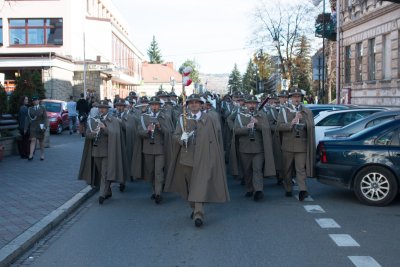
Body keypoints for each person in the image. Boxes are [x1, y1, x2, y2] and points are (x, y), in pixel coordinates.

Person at [165, 94, 229, 227]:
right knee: (189, 186)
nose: (194, 105)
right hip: (187, 157)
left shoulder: (209, 119)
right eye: (191, 103)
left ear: (201, 105)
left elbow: (215, 138)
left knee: (199, 185)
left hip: (204, 157)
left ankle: (199, 213)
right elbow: (175, 135)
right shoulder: (183, 119)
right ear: (187, 105)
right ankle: (194, 207)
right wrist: (182, 139)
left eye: (197, 102)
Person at [78, 100, 125, 204]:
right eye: (100, 108)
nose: (101, 109)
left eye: (103, 108)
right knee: (100, 172)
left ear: (108, 109)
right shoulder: (93, 120)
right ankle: (108, 191)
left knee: (105, 173)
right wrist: (94, 134)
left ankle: (101, 195)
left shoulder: (113, 120)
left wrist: (105, 129)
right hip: (96, 151)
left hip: (108, 151)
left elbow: (115, 133)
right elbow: (87, 135)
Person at [231, 95, 275, 201]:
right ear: (245, 104)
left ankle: (258, 190)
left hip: (258, 148)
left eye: (254, 103)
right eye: (250, 103)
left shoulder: (262, 115)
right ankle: (249, 188)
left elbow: (267, 129)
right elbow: (236, 131)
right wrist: (246, 128)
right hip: (244, 148)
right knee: (247, 171)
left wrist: (257, 124)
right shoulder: (240, 116)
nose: (252, 105)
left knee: (257, 170)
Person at [277, 88, 316, 201]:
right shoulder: (284, 110)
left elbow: (311, 126)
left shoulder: (306, 111)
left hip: (301, 145)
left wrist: (304, 124)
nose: (296, 99)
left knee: (300, 169)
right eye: (294, 96)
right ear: (290, 98)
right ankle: (288, 188)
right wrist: (292, 123)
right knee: (287, 169)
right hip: (287, 145)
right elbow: (279, 127)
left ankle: (302, 190)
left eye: (298, 97)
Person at [138, 96, 174, 204]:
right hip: (148, 148)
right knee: (151, 172)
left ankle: (158, 193)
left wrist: (160, 127)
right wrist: (147, 131)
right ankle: (154, 190)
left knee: (158, 171)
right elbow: (139, 132)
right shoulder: (144, 117)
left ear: (159, 106)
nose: (154, 106)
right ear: (150, 106)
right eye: (153, 104)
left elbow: (169, 132)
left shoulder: (165, 117)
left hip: (160, 149)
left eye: (156, 105)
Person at [26, 96, 48, 161]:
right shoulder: (30, 109)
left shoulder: (42, 108)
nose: (34, 102)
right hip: (33, 127)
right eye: (33, 101)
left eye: (36, 100)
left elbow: (45, 118)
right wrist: (26, 127)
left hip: (40, 127)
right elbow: (28, 119)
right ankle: (31, 155)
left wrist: (45, 126)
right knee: (33, 140)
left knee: (41, 141)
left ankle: (42, 154)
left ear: (38, 101)